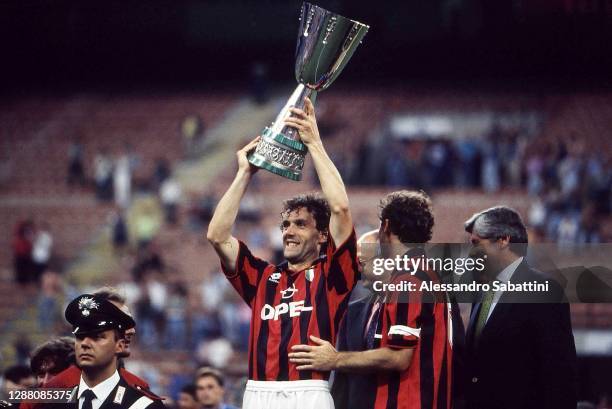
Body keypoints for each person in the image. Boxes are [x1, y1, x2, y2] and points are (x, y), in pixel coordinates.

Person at [206, 98, 358, 409]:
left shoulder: (333, 275)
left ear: (322, 235)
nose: (288, 231)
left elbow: (340, 208)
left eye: (301, 224)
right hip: (257, 392)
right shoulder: (263, 278)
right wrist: (244, 173)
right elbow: (217, 236)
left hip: (309, 392)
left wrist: (314, 143)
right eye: (285, 224)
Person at [289, 191, 455, 409]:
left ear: (386, 226)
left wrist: (334, 359)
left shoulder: (410, 277)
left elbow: (398, 357)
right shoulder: (426, 273)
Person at [463, 206, 577, 409]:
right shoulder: (481, 293)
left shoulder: (544, 290)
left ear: (503, 240)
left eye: (476, 243)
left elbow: (559, 377)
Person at [64, 293, 165, 409]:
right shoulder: (53, 401)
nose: (85, 344)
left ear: (120, 346)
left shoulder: (143, 405)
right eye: (80, 337)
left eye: (97, 336)